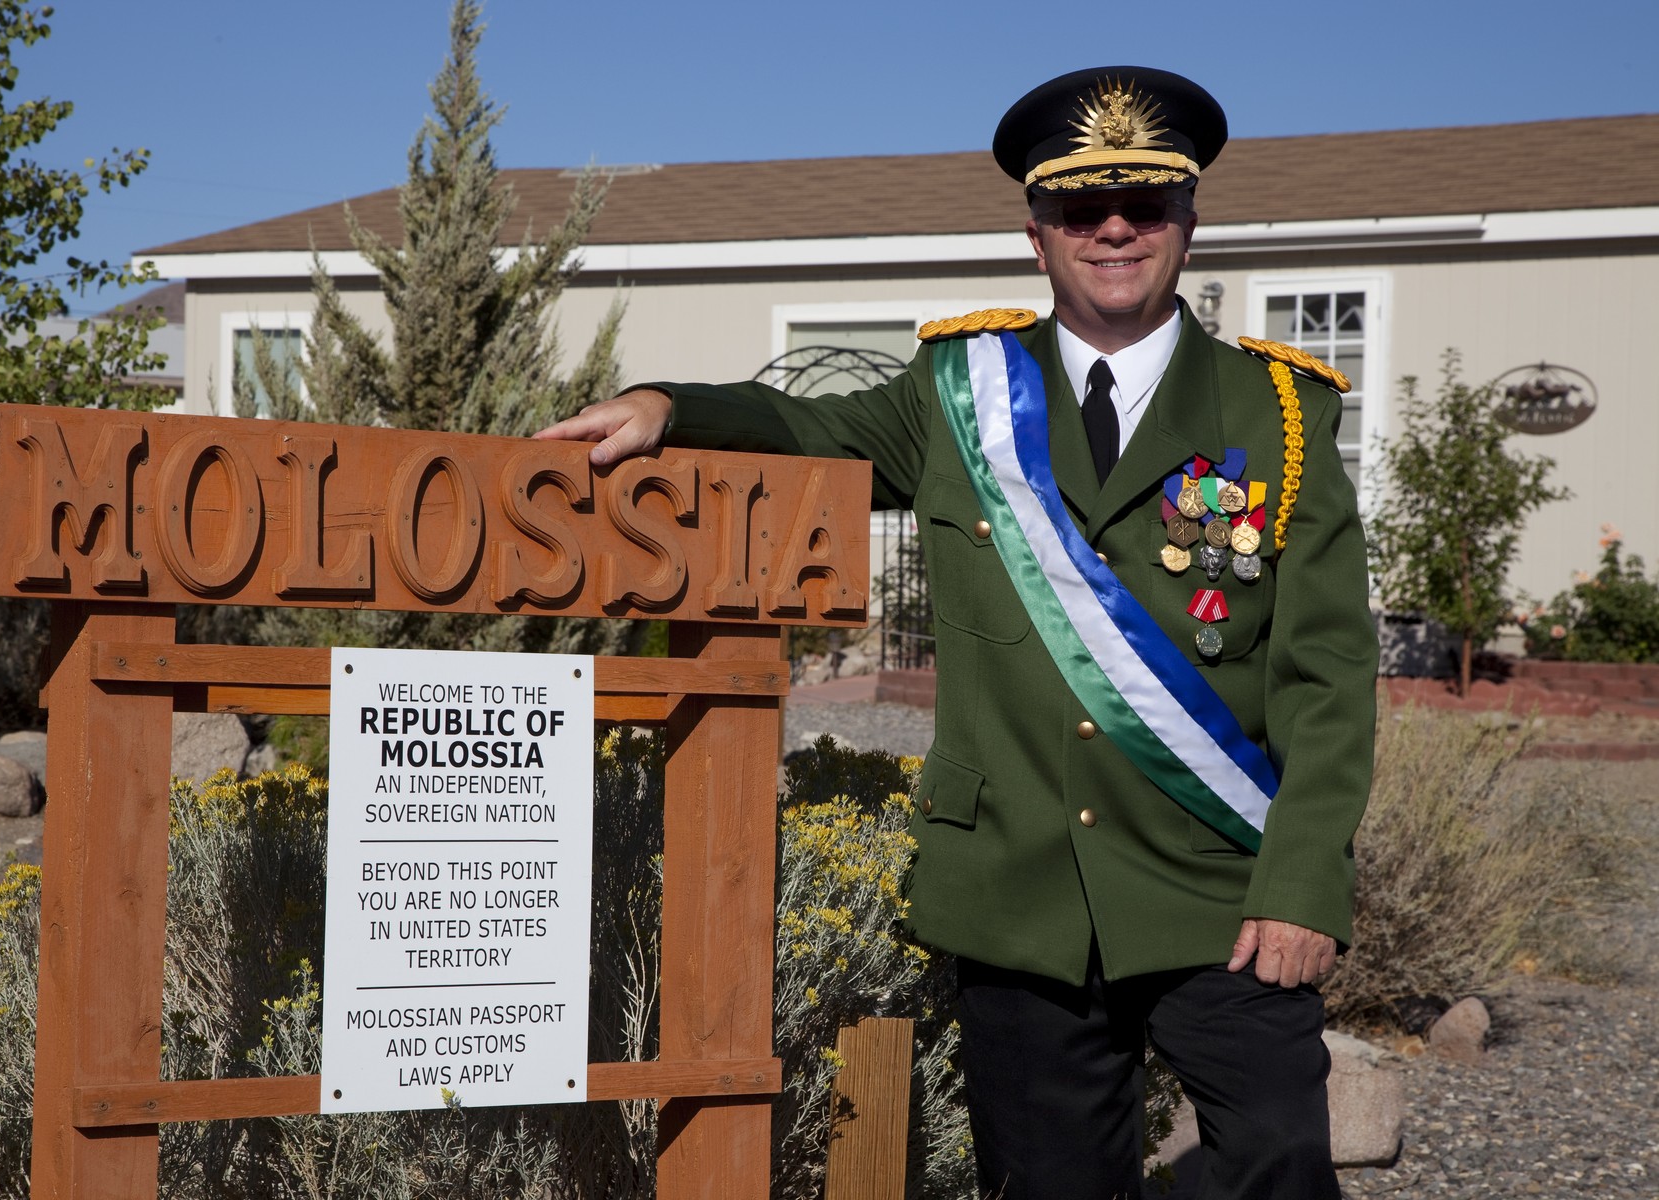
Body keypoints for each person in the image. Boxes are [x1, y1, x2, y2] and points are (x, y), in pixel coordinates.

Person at [537, 65, 1377, 1200]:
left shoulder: (1281, 411)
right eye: (1083, 209)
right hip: (1018, 890)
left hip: (1219, 888)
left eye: (1146, 206)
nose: (1115, 230)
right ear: (1038, 234)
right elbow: (807, 425)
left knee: (1279, 1161)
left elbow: (1327, 673)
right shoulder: (957, 390)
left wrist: (1304, 883)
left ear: (1190, 221)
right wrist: (671, 408)